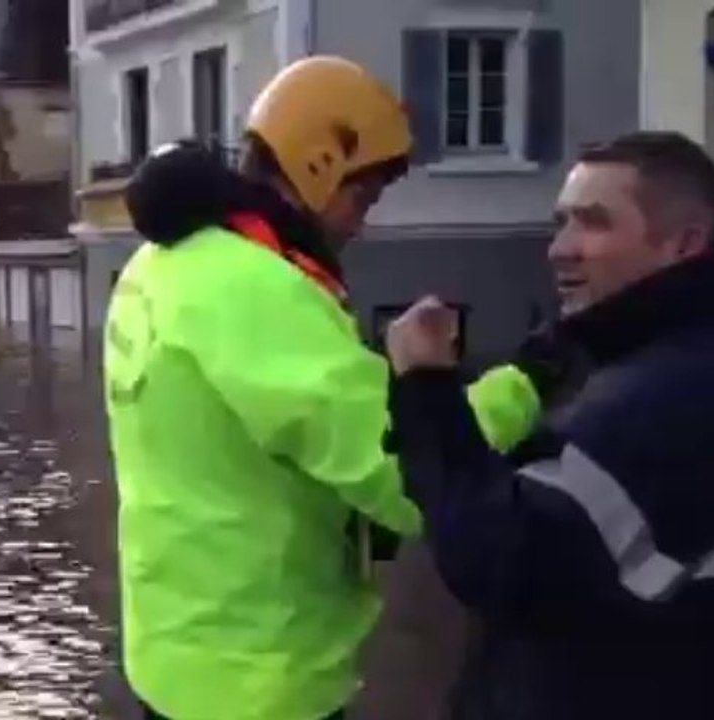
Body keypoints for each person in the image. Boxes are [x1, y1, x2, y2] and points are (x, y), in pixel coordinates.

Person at [102, 55, 546, 720]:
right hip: (261, 684)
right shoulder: (255, 288)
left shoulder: (160, 264)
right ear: (316, 167)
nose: (359, 223)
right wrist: (526, 384)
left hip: (176, 657)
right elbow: (407, 476)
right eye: (359, 197)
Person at [386, 131, 714, 720]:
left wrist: (427, 392)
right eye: (562, 222)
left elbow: (497, 557)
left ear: (684, 243)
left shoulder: (681, 392)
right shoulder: (671, 364)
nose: (561, 247)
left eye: (593, 222)